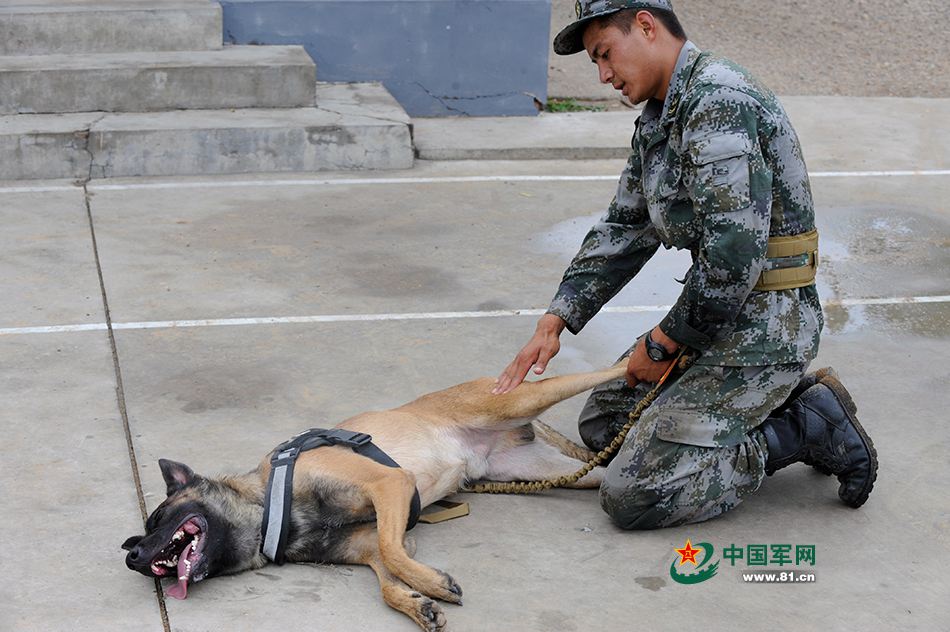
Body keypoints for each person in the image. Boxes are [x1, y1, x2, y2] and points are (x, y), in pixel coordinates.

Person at [492, 0, 877, 529]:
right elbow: (625, 228)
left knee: (635, 495)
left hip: (766, 324)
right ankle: (783, 407)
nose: (603, 76)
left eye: (605, 54)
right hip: (718, 315)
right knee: (607, 425)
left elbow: (733, 255)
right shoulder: (660, 115)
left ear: (646, 26)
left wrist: (664, 342)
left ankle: (799, 429)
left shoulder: (719, 99)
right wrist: (556, 318)